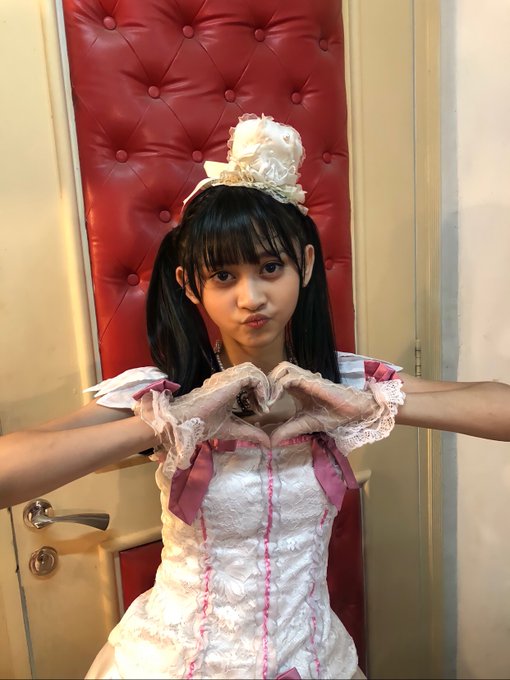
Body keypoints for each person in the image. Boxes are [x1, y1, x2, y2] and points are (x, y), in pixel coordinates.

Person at [1, 114, 510, 680]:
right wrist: (171, 421)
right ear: (190, 284)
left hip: (310, 659)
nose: (251, 298)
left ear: (305, 266)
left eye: (271, 267)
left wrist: (368, 406)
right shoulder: (162, 392)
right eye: (223, 276)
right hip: (176, 662)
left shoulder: (348, 380)